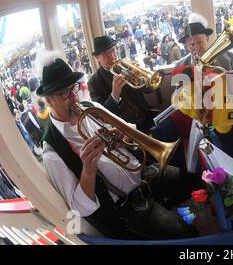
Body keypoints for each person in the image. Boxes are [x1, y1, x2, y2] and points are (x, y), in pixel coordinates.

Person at [37, 58, 200, 239]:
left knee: (193, 179)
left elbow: (132, 132)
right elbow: (80, 208)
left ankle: (165, 205)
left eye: (74, 87)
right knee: (186, 234)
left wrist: (125, 138)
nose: (74, 96)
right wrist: (88, 171)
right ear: (49, 100)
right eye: (66, 93)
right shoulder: (52, 152)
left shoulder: (91, 107)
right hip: (127, 207)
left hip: (143, 175)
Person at [87, 35, 160, 133]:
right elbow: (102, 115)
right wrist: (114, 95)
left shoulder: (125, 66)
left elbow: (149, 90)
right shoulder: (94, 82)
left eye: (113, 50)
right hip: (125, 128)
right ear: (97, 58)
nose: (111, 55)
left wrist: (140, 80)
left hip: (146, 114)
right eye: (105, 53)